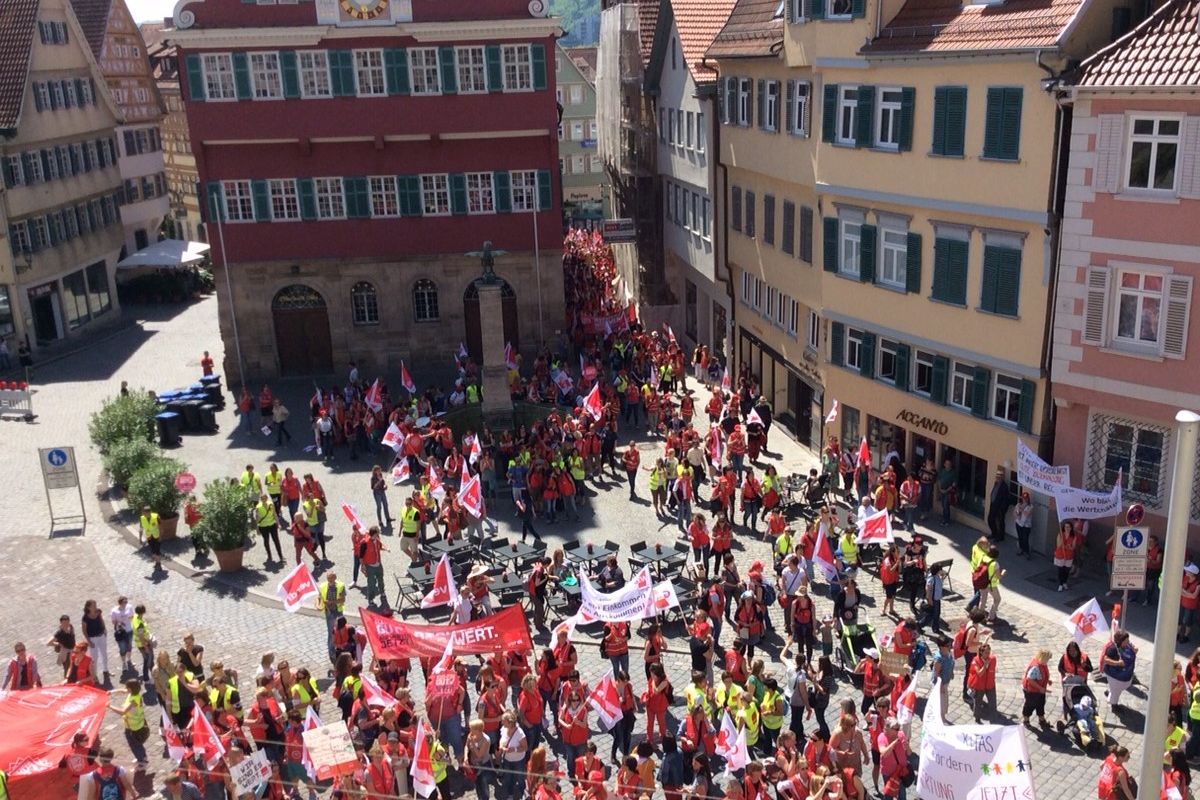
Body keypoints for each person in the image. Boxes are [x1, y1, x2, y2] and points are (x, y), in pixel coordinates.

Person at [1102, 630, 1137, 710]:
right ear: (1120, 641)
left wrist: (1135, 650)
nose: (1128, 642)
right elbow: (1106, 660)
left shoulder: (1128, 645)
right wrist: (1118, 663)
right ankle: (1114, 705)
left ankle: (1110, 692)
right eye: (1126, 641)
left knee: (1118, 688)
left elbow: (1132, 652)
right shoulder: (1113, 649)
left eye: (1128, 640)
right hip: (1115, 675)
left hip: (1126, 674)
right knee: (1116, 690)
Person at [1021, 649, 1052, 727]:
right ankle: (1026, 720)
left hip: (1040, 691)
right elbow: (1030, 679)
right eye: (1047, 659)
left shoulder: (1042, 664)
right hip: (1032, 691)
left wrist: (1047, 680)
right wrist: (1040, 688)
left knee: (1040, 704)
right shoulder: (1035, 668)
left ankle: (1042, 719)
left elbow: (1041, 675)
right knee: (1030, 705)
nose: (1048, 661)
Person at [986, 468, 1011, 541]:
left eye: (999, 476)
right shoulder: (996, 483)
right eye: (997, 475)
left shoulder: (1004, 486)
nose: (997, 477)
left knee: (1000, 522)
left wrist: (1002, 509)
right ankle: (994, 533)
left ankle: (1000, 537)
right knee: (990, 519)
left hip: (1000, 508)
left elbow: (1006, 500)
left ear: (1002, 477)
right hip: (993, 505)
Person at [138, 505, 163, 571]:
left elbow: (161, 527)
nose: (144, 514)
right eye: (143, 513)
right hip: (149, 537)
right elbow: (141, 529)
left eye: (145, 513)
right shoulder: (142, 518)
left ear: (149, 512)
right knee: (153, 551)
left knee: (157, 551)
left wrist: (160, 536)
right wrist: (140, 539)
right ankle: (157, 562)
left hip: (157, 536)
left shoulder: (156, 516)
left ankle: (159, 565)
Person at [1013, 491, 1033, 558]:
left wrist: (1022, 510)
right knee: (1020, 537)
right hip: (1019, 523)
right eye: (1024, 498)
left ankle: (1027, 552)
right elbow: (1015, 513)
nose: (1025, 499)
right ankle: (1021, 549)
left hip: (1026, 525)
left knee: (1025, 538)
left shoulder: (1030, 506)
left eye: (1026, 498)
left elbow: (1027, 514)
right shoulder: (1018, 504)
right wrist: (1017, 515)